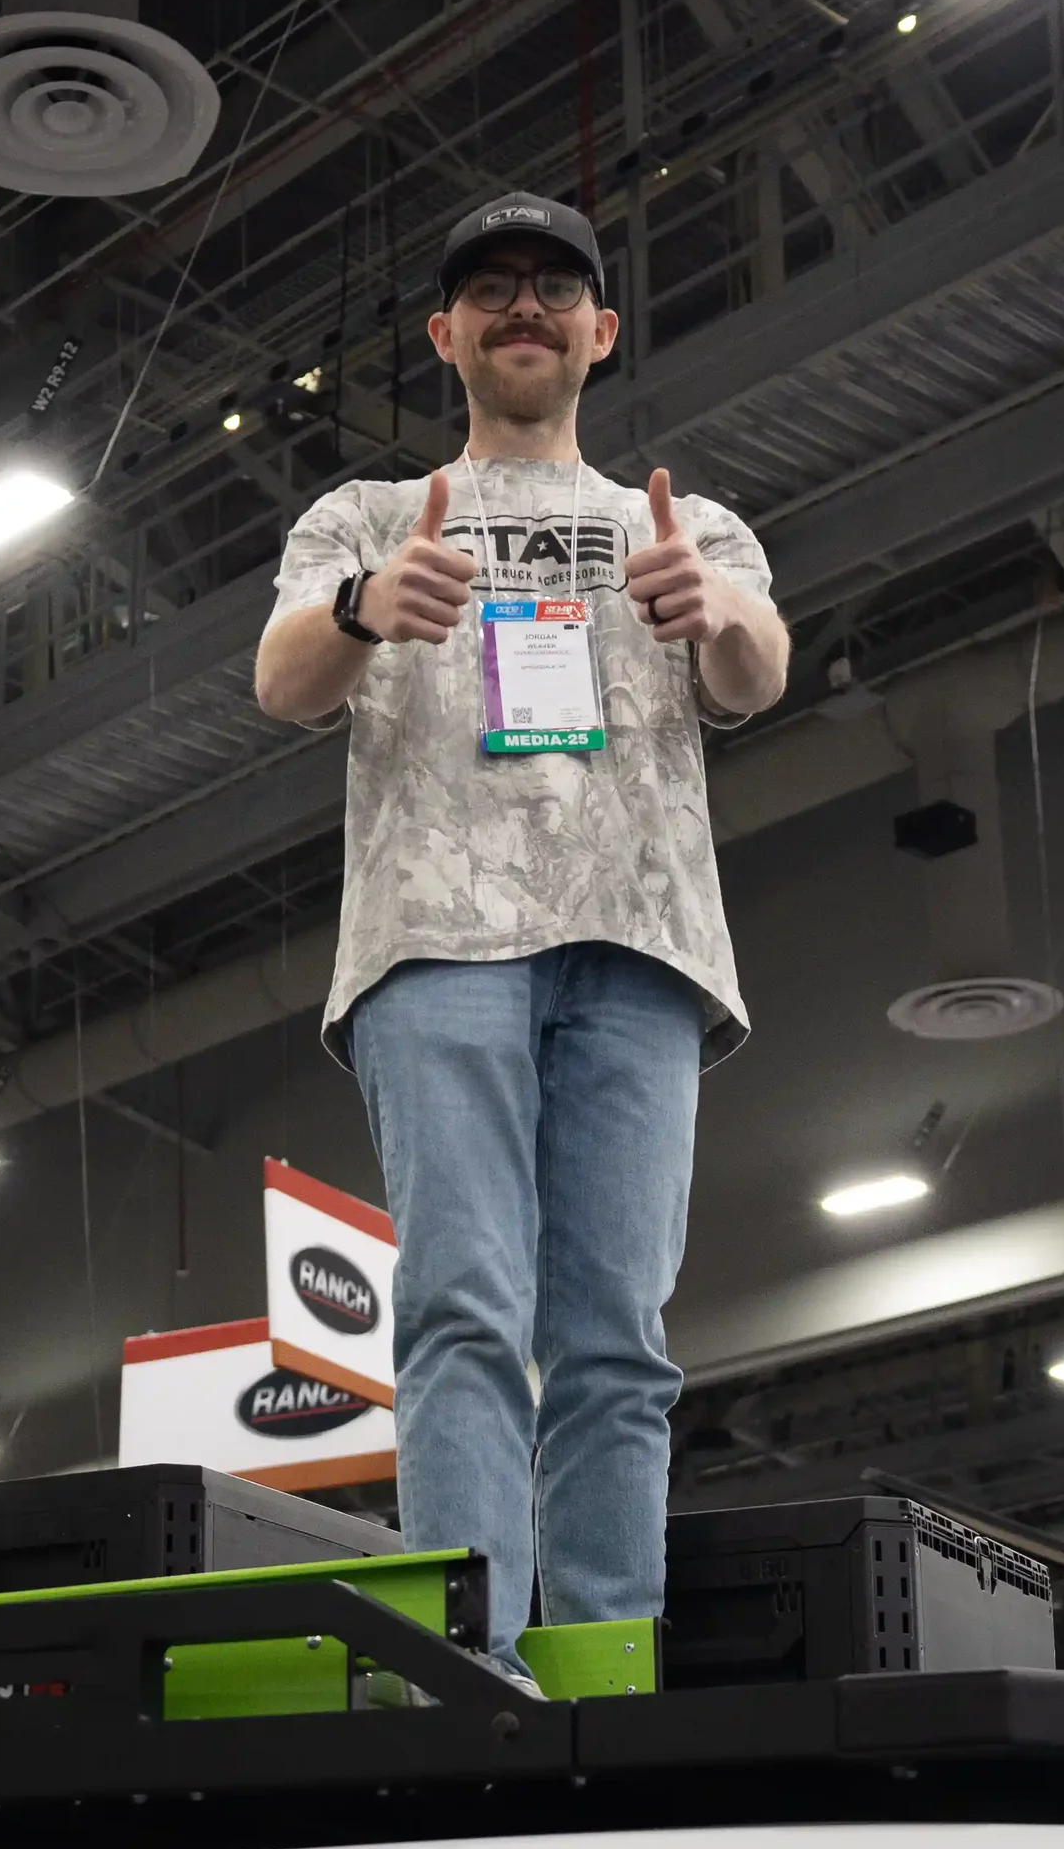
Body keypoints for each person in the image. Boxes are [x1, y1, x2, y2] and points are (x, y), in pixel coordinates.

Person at [255, 192, 789, 1680]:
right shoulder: (363, 517)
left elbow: (760, 673)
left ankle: (607, 1679)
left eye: (557, 287)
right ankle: (471, 1675)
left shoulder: (681, 522)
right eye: (490, 288)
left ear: (602, 332)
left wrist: (712, 612)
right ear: (446, 334)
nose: (525, 307)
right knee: (463, 1313)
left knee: (620, 1336)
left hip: (641, 942)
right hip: (437, 945)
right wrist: (368, 607)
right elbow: (282, 683)